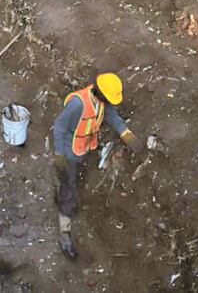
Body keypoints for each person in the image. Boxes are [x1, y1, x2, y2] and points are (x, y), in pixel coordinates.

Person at [51, 73, 143, 260]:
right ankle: (64, 233)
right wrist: (59, 154)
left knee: (72, 182)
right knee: (69, 191)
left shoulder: (100, 103)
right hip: (69, 153)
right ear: (102, 94)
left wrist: (126, 133)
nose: (111, 103)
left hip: (83, 150)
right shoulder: (77, 104)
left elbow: (112, 117)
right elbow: (59, 126)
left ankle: (61, 194)